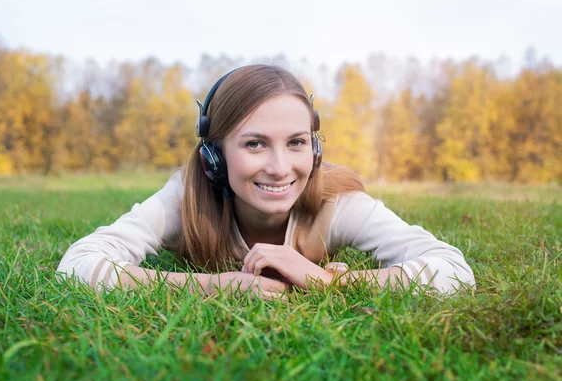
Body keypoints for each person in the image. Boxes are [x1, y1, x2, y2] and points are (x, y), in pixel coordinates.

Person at [57, 65, 475, 299]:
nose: (280, 167)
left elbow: (454, 272)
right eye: (255, 144)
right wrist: (213, 286)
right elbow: (77, 267)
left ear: (314, 149)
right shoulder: (185, 197)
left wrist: (330, 280)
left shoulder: (337, 202)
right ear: (214, 155)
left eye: (295, 143)